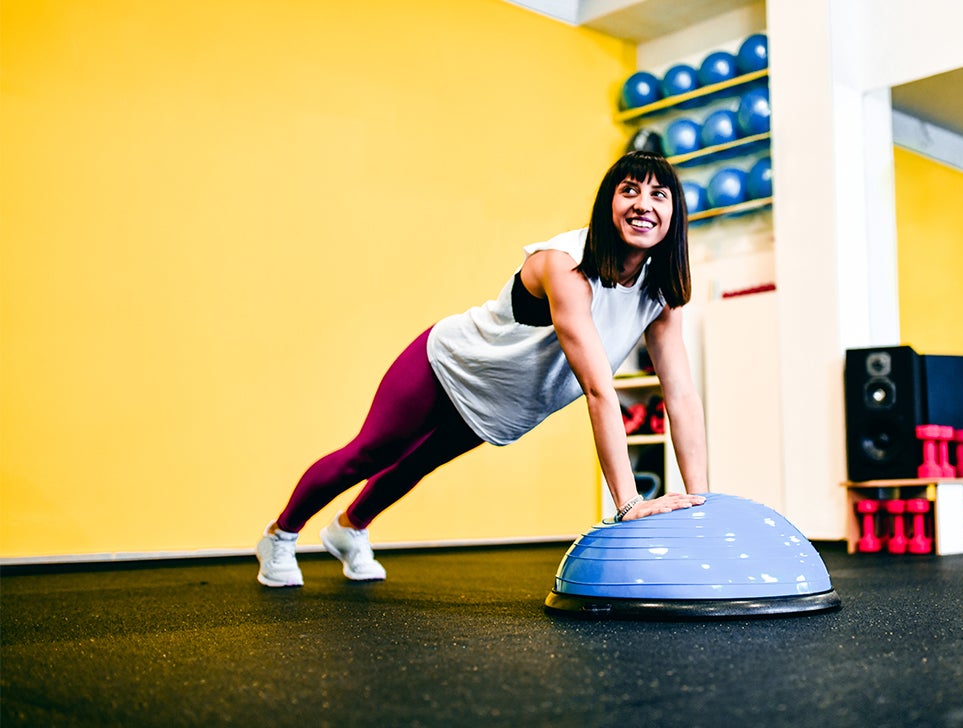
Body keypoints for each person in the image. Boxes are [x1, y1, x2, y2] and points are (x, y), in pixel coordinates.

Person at [256, 151, 709, 587]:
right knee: (372, 453)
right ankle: (280, 536)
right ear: (608, 201)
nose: (643, 204)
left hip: (500, 401)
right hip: (451, 364)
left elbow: (682, 395)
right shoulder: (565, 264)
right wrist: (627, 504)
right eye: (629, 190)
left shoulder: (659, 294)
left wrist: (702, 504)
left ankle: (348, 529)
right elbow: (597, 389)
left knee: (417, 465)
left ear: (674, 215)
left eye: (658, 195)